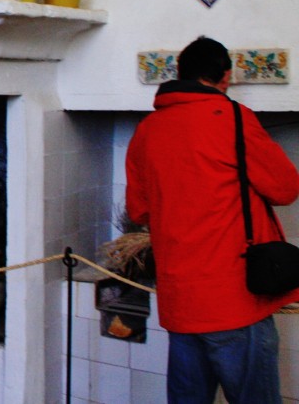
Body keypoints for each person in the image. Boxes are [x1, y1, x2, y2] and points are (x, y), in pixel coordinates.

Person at [126, 36, 299, 403]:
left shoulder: (146, 131)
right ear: (225, 77)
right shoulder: (234, 118)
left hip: (179, 301)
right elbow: (285, 188)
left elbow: (139, 211)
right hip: (233, 298)